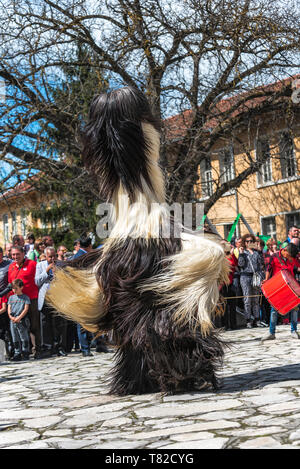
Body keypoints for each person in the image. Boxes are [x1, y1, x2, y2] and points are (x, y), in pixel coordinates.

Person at [261, 242, 300, 342]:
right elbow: (268, 268)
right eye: (290, 256)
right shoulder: (274, 257)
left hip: (291, 286)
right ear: (285, 250)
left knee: (294, 308)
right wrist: (266, 279)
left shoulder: (293, 257)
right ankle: (271, 332)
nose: (291, 259)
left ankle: (294, 330)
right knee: (274, 309)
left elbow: (297, 267)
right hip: (278, 286)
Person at [8, 246, 41, 359]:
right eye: (13, 255)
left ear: (23, 253)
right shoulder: (11, 267)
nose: (15, 257)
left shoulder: (32, 264)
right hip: (17, 301)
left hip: (31, 299)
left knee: (34, 325)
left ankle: (37, 349)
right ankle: (21, 351)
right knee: (19, 327)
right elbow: (10, 284)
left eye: (18, 254)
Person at [35, 247, 68, 357]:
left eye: (54, 256)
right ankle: (47, 348)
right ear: (45, 256)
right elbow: (37, 281)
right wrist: (46, 271)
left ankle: (59, 347)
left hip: (57, 297)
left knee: (58, 324)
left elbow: (65, 281)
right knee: (45, 324)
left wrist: (57, 274)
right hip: (45, 298)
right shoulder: (40, 265)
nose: (52, 258)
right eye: (50, 257)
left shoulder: (60, 264)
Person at [238, 233, 265, 328]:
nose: (249, 243)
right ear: (244, 243)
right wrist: (241, 254)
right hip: (245, 277)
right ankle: (248, 320)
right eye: (247, 241)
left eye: (251, 241)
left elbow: (261, 264)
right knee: (247, 299)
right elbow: (240, 265)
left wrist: (260, 251)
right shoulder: (243, 253)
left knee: (256, 299)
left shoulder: (256, 252)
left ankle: (257, 320)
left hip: (256, 277)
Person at [7, 279, 31, 361]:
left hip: (21, 320)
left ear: (21, 287)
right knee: (15, 337)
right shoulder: (11, 298)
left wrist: (19, 317)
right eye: (13, 288)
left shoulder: (25, 297)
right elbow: (9, 308)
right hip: (13, 320)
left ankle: (25, 352)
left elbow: (26, 309)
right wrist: (11, 317)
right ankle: (17, 353)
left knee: (24, 337)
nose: (14, 290)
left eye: (16, 288)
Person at [221, 242, 238, 330]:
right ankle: (225, 325)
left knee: (232, 305)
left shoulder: (231, 256)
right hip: (222, 283)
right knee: (223, 306)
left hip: (231, 282)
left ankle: (233, 324)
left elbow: (235, 264)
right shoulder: (220, 257)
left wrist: (232, 251)